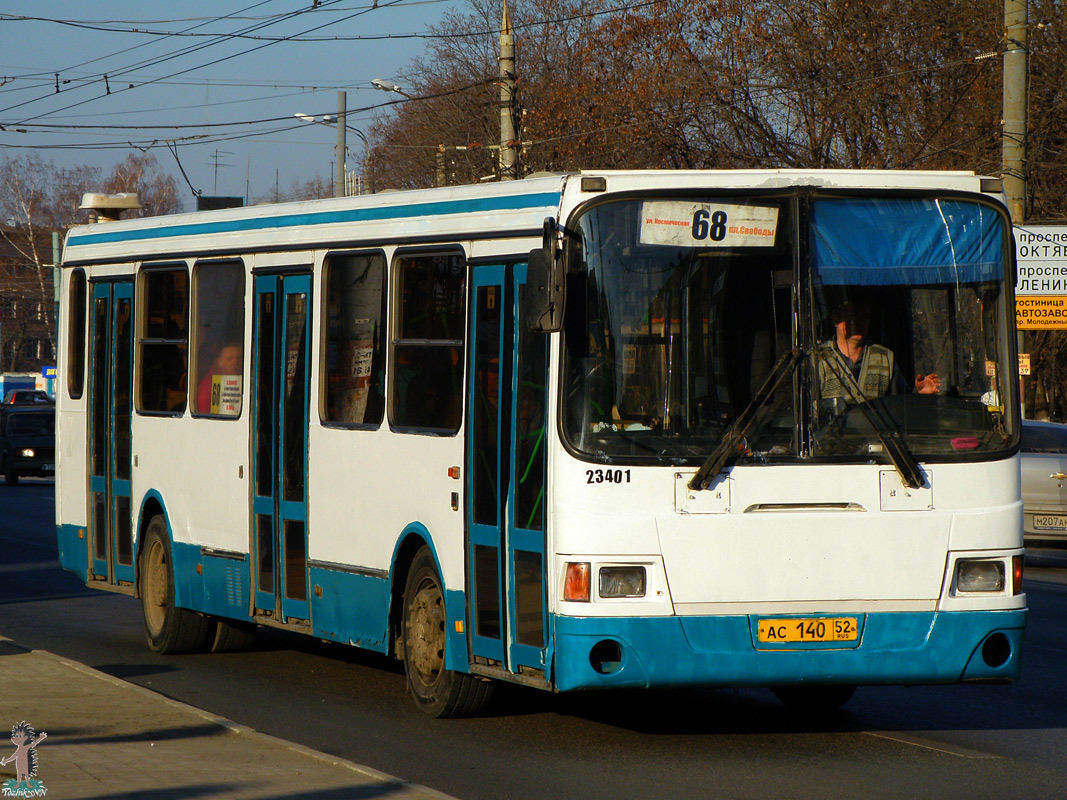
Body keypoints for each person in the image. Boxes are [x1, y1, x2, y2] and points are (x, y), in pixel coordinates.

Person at [818, 300, 940, 406]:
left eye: (864, 317)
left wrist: (918, 392)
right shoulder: (818, 359)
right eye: (853, 315)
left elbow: (901, 404)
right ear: (836, 318)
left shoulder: (885, 358)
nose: (859, 322)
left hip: (877, 433)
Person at [197, 342, 242, 413]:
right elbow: (204, 413)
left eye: (238, 359)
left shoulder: (249, 382)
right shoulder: (208, 384)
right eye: (229, 359)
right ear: (220, 361)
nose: (235, 362)